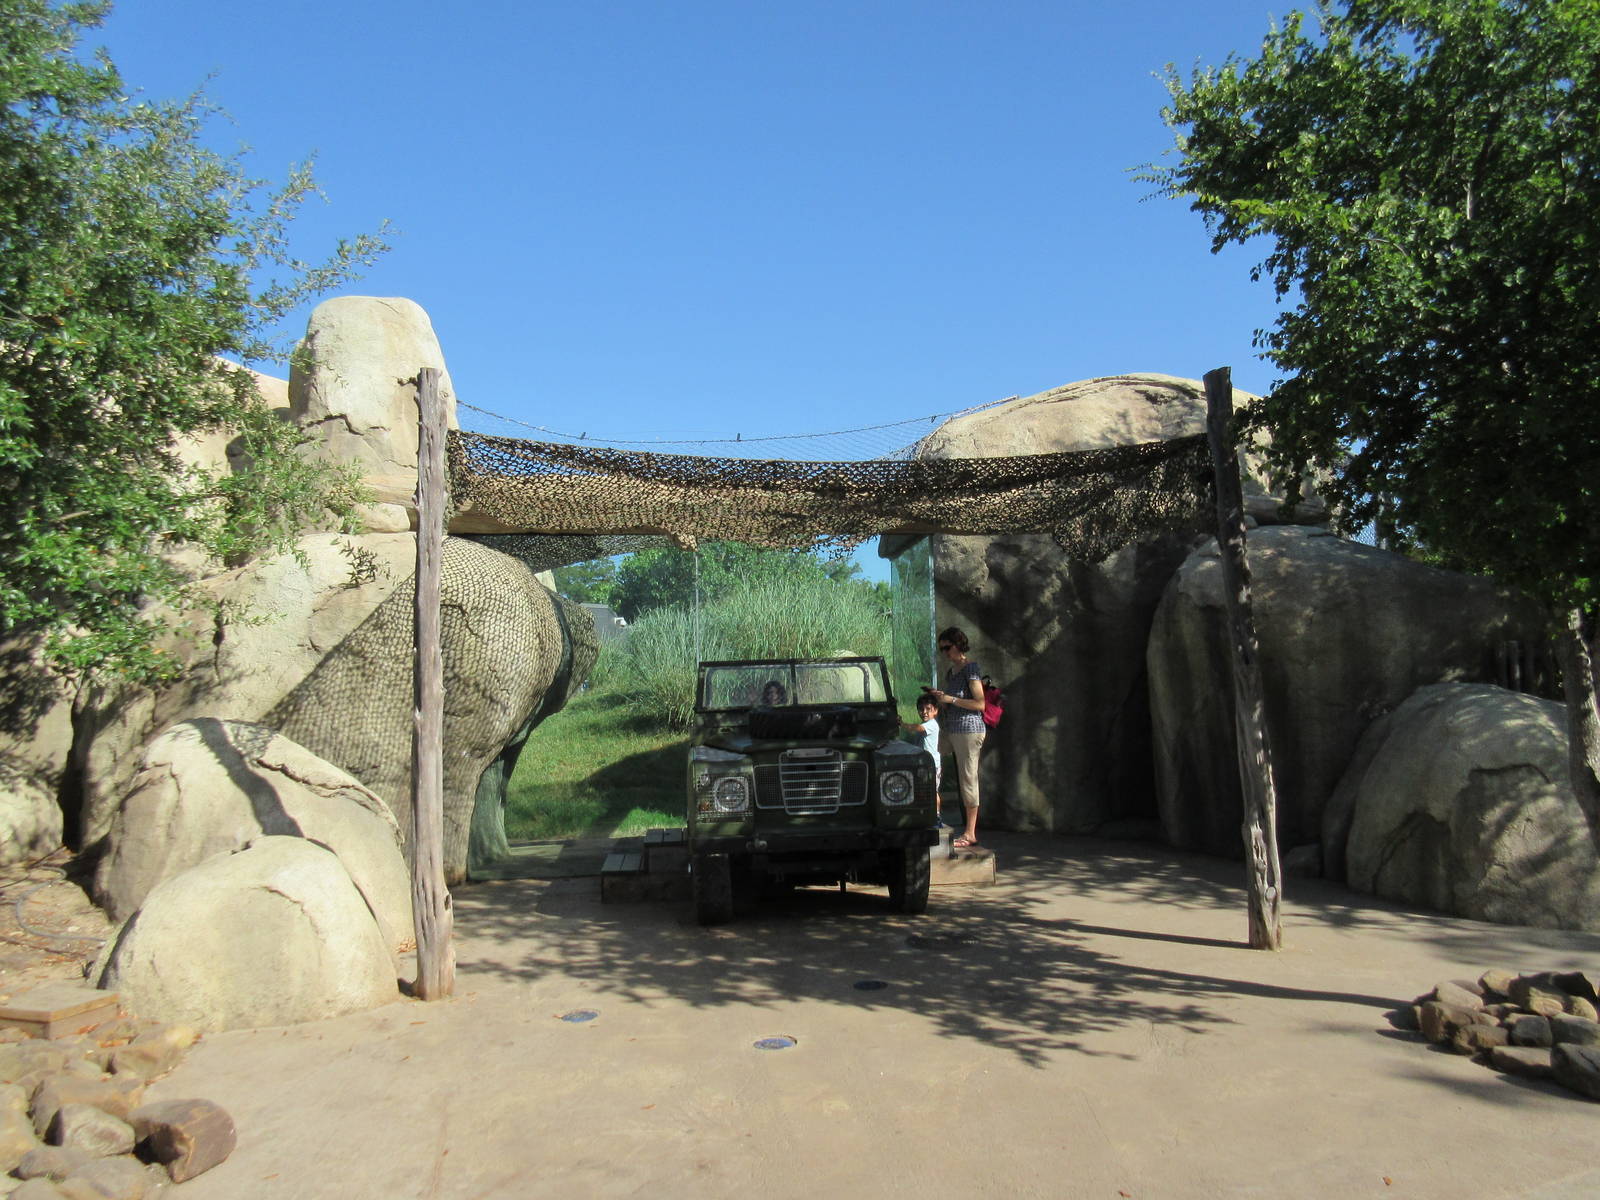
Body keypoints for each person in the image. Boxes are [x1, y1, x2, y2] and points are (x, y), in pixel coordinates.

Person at [928, 626, 985, 848]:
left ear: (958, 645)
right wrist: (940, 699)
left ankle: (970, 832)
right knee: (936, 764)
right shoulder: (952, 672)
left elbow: (980, 703)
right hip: (952, 729)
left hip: (969, 729)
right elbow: (951, 702)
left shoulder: (970, 668)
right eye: (941, 649)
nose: (945, 652)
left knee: (968, 778)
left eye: (947, 647)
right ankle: (937, 815)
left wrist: (950, 699)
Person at [901, 693, 943, 825]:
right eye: (921, 709)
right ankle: (925, 813)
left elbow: (917, 728)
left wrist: (903, 724)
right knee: (923, 788)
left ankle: (937, 815)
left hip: (932, 765)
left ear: (935, 711)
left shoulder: (931, 724)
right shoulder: (925, 724)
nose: (924, 712)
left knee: (932, 790)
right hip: (922, 764)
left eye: (928, 709)